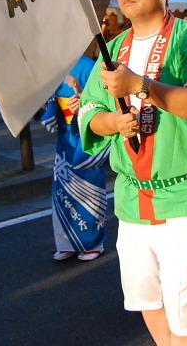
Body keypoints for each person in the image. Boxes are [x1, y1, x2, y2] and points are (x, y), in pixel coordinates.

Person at [79, 0, 187, 344]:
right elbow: (90, 112)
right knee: (148, 300)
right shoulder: (113, 48)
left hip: (184, 193)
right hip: (132, 197)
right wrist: (113, 122)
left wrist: (139, 85)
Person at [41, 55, 110, 262]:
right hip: (66, 136)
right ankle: (65, 242)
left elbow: (105, 100)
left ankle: (92, 242)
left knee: (89, 188)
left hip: (88, 135)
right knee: (61, 189)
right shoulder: (54, 66)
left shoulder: (90, 66)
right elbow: (50, 104)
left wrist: (83, 100)